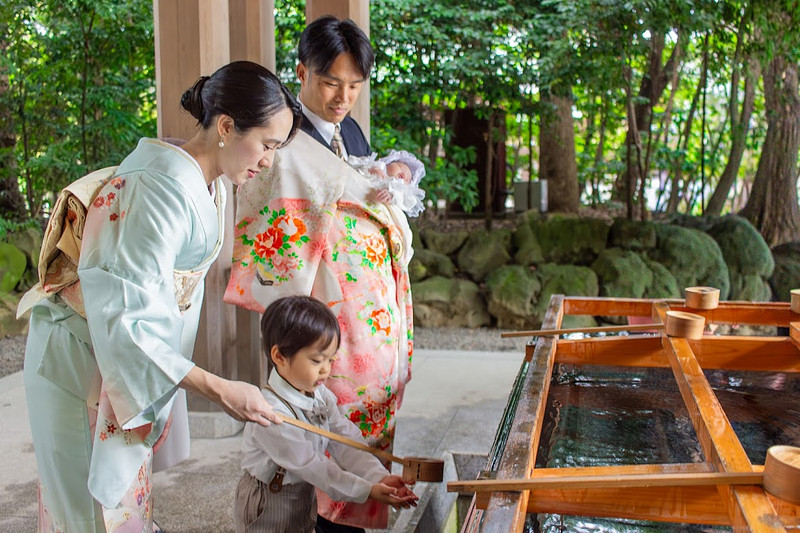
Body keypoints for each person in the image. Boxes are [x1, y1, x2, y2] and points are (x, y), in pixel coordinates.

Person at [21, 60, 301, 533]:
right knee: (87, 517)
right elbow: (127, 319)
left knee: (125, 511)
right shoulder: (156, 188)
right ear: (227, 127)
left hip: (115, 355)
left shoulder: (208, 182)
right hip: (81, 356)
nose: (269, 160)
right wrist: (218, 388)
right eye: (268, 145)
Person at [225, 16, 414, 532]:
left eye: (354, 85)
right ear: (303, 71)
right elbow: (276, 207)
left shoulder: (348, 128)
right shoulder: (282, 132)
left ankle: (360, 508)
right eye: (331, 82)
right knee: (322, 427)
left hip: (369, 314)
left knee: (357, 429)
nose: (342, 97)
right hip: (328, 312)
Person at [234, 295, 418, 532]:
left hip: (301, 492)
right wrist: (367, 490)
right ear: (279, 356)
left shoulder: (319, 394)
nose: (326, 370)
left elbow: (345, 441)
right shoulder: (269, 414)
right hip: (266, 500)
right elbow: (314, 465)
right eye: (316, 360)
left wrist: (377, 477)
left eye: (330, 360)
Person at [348, 149, 427, 218]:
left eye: (407, 179)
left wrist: (392, 195)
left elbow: (404, 200)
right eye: (401, 167)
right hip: (355, 194)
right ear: (389, 162)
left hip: (375, 209)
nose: (403, 175)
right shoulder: (378, 166)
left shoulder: (398, 189)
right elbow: (352, 164)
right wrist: (369, 169)